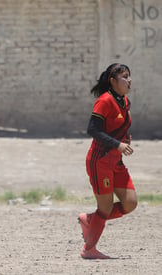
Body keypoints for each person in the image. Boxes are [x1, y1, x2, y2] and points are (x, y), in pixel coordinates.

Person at [78, 63, 137, 259]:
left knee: (130, 203)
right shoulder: (104, 101)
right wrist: (117, 144)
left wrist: (124, 140)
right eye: (124, 77)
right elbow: (93, 130)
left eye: (129, 76)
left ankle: (90, 220)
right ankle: (89, 249)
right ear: (112, 81)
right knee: (106, 207)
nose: (129, 80)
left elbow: (118, 127)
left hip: (116, 162)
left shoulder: (125, 102)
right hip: (100, 161)